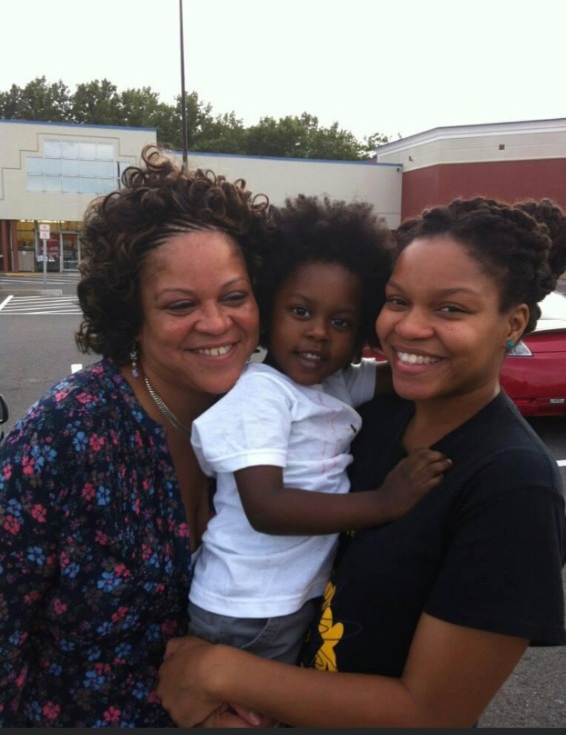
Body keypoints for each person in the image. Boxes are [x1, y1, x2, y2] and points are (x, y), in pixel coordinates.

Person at [157, 196, 566, 728]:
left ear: (513, 323)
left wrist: (216, 671)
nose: (410, 328)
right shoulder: (368, 415)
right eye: (397, 301)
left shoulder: (514, 490)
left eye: (451, 308)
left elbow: (432, 714)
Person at [0, 145, 271, 727]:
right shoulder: (66, 437)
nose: (218, 323)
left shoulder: (273, 413)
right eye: (181, 305)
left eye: (234, 296)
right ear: (133, 313)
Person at [187, 195, 450, 664]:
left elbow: (408, 373)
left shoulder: (336, 384)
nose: (319, 333)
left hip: (281, 600)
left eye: (341, 321)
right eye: (301, 312)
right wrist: (382, 504)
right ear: (268, 312)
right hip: (246, 608)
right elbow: (266, 508)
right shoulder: (261, 394)